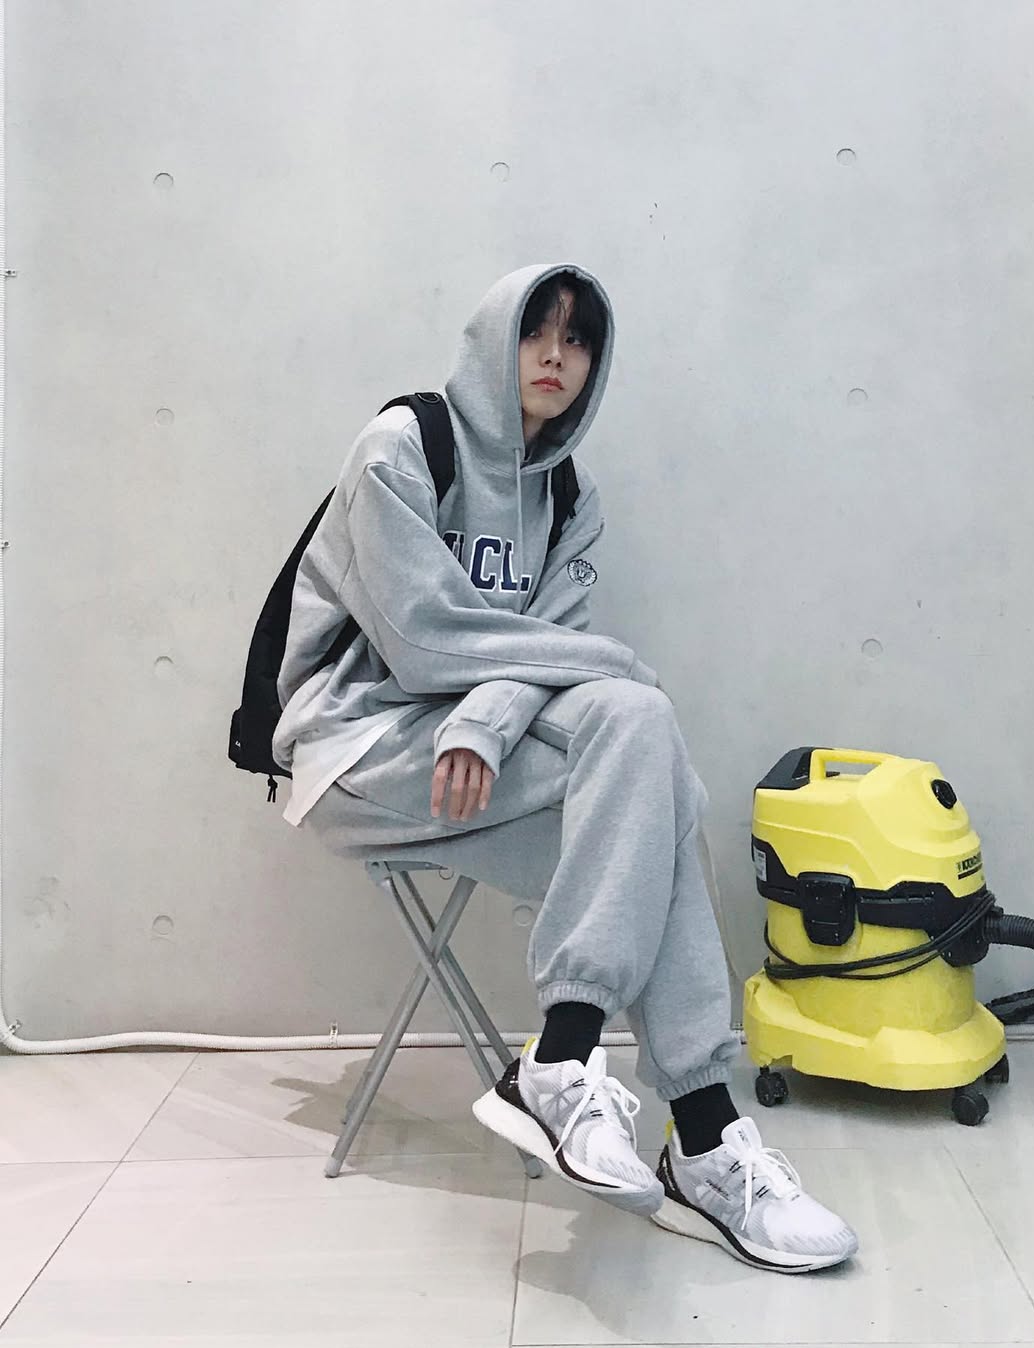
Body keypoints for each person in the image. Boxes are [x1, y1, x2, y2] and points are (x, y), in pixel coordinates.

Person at [273, 263, 858, 1274]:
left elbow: (540, 655)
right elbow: (423, 636)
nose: (554, 355)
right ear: (491, 338)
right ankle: (693, 1133)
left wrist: (488, 721)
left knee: (640, 745)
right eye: (534, 331)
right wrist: (603, 665)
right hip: (359, 743)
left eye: (577, 338)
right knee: (642, 740)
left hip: (470, 752)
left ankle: (601, 1078)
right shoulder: (401, 448)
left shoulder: (571, 496)